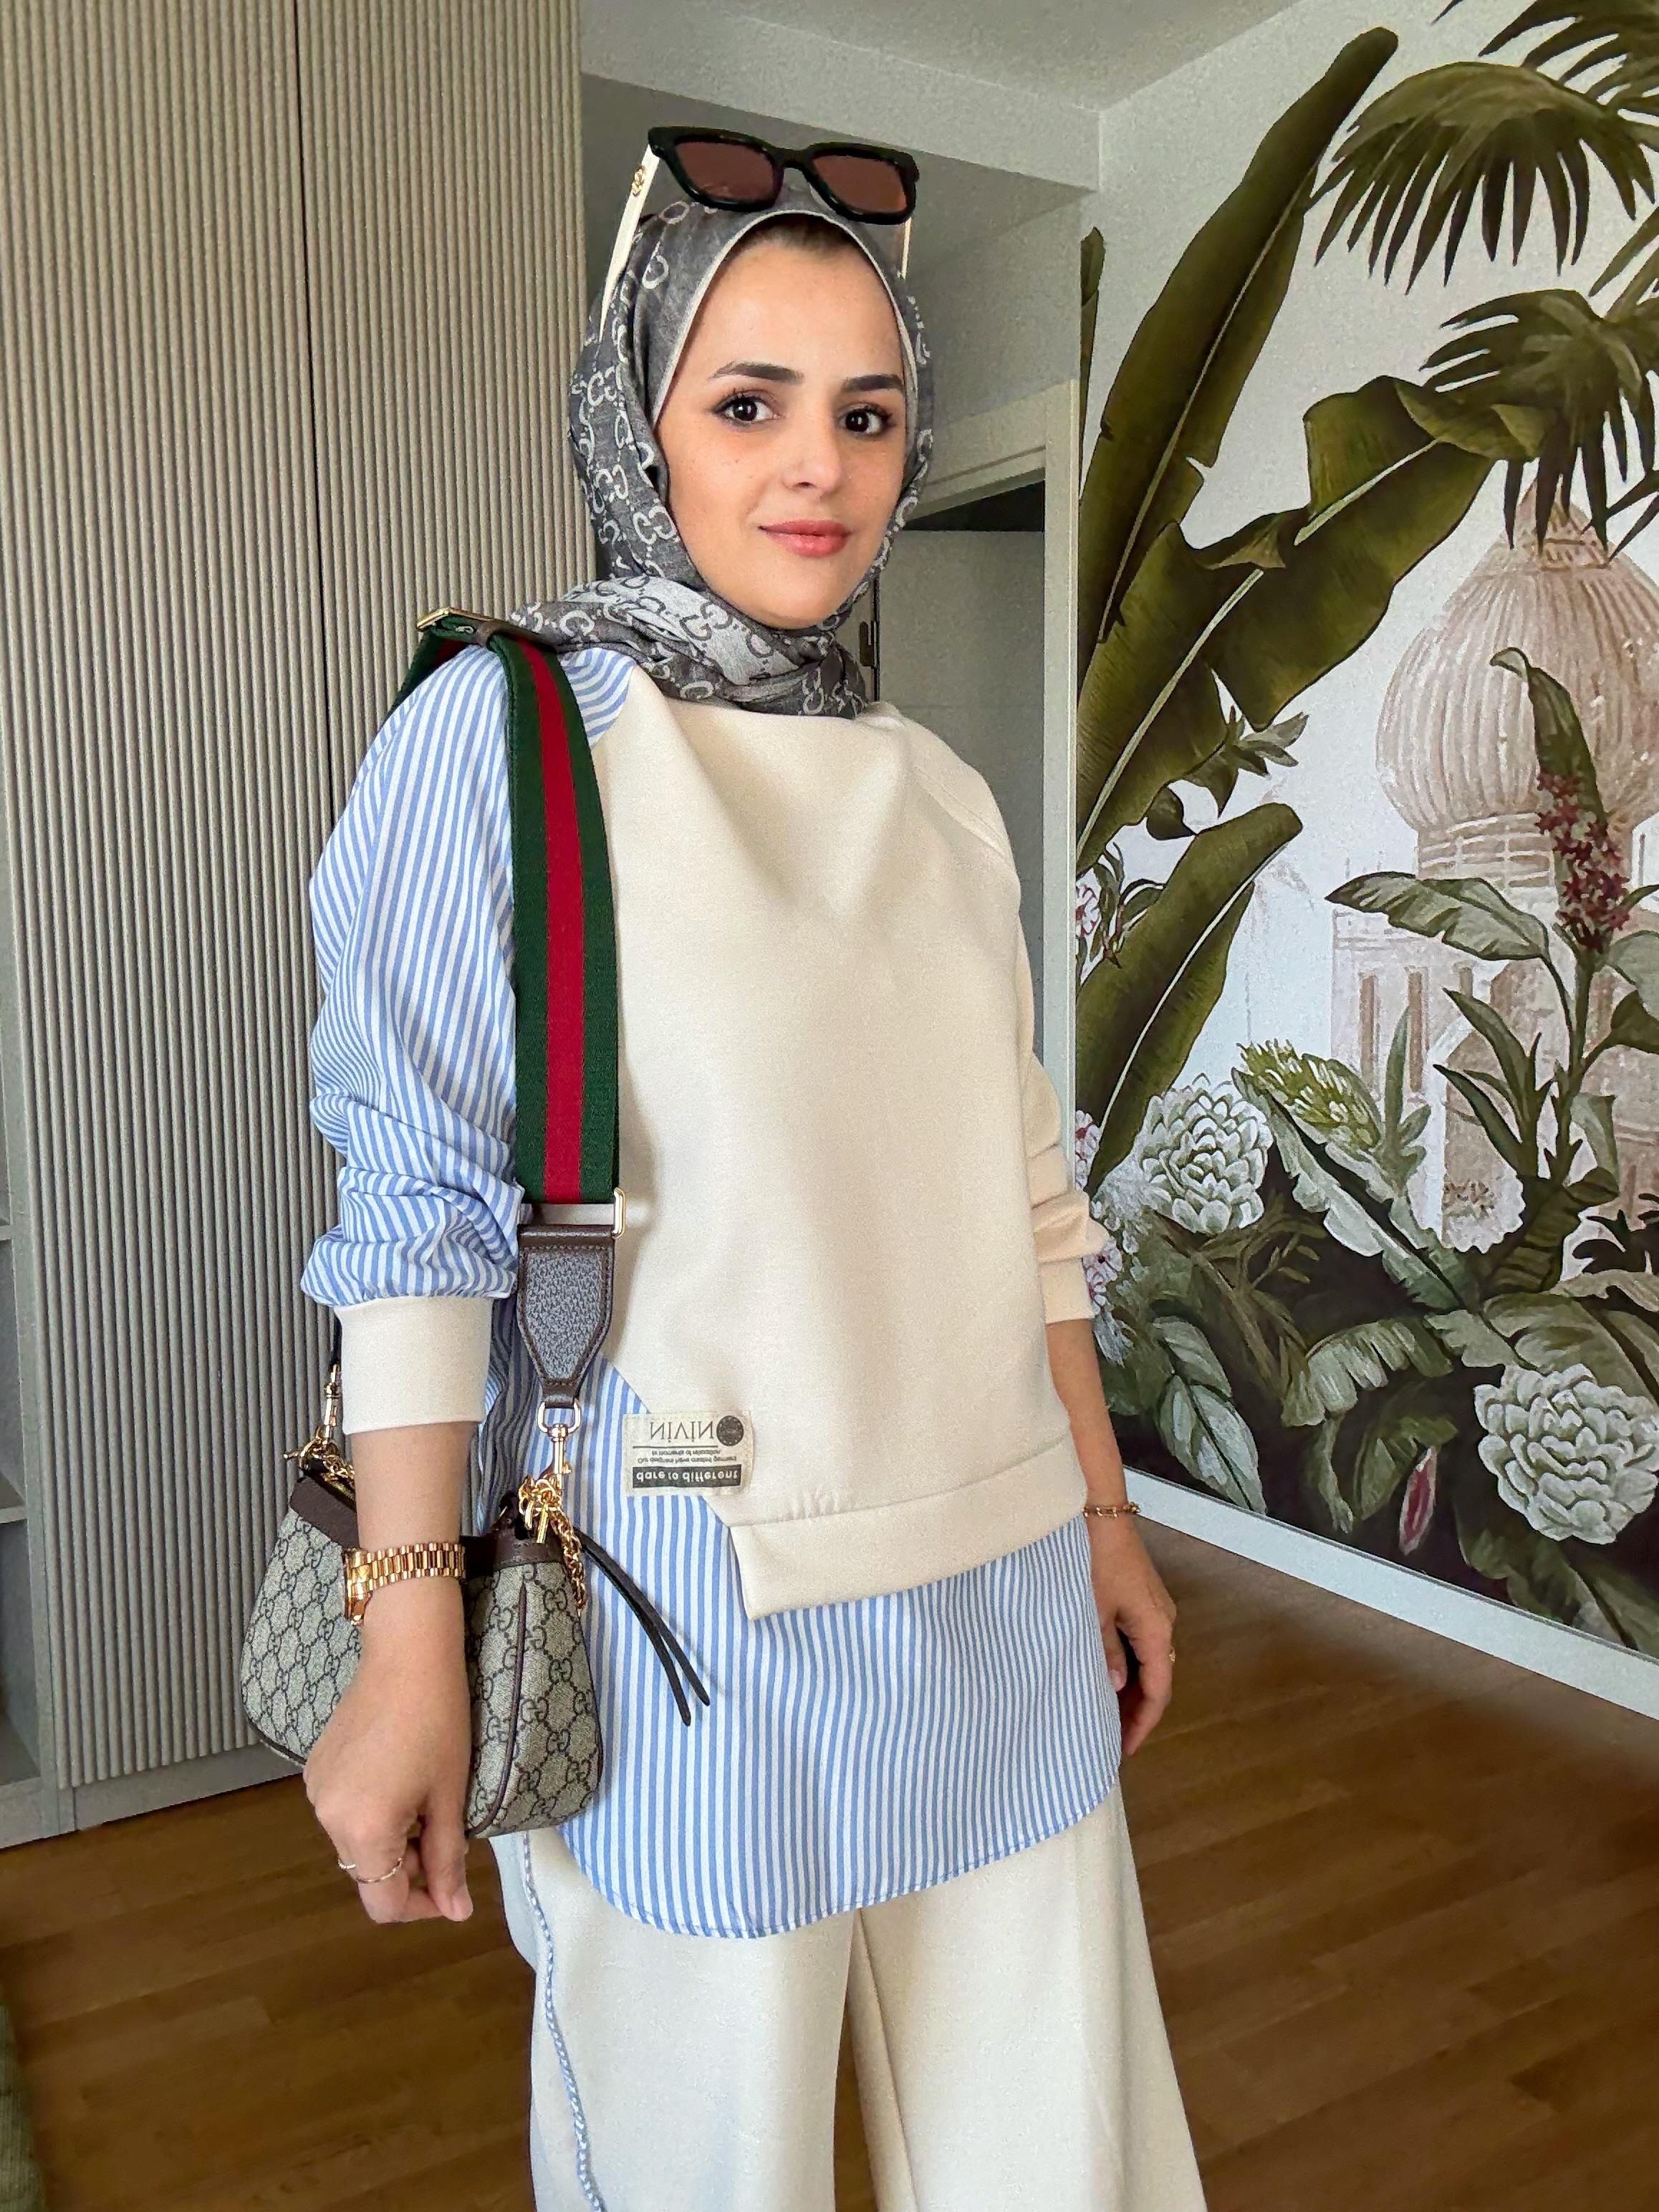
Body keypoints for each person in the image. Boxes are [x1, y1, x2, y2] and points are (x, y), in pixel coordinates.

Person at [297, 138, 1206, 2212]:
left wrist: (1103, 1520)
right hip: (690, 1605)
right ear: (638, 422)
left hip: (997, 1572)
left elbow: (1023, 1202)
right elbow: (419, 1219)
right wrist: (409, 1647)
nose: (819, 468)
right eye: (748, 403)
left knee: (1055, 2161)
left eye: (867, 415)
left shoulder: (939, 795)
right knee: (707, 2167)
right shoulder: (504, 738)